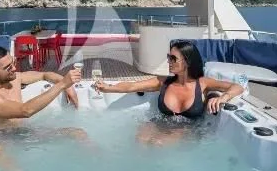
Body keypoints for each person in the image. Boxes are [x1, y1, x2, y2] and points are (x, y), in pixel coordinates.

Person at [92, 40, 245, 145]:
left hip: (187, 129)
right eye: (168, 57)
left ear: (187, 61)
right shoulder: (163, 82)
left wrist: (223, 97)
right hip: (159, 123)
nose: (168, 61)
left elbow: (237, 87)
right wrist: (108, 87)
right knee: (140, 140)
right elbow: (131, 86)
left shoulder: (203, 83)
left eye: (173, 58)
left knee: (158, 143)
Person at [0, 45, 86, 171]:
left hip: (20, 132)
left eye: (13, 63)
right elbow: (25, 111)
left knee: (77, 133)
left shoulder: (15, 79)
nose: (14, 68)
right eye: (8, 67)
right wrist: (62, 84)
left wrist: (68, 86)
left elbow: (45, 75)